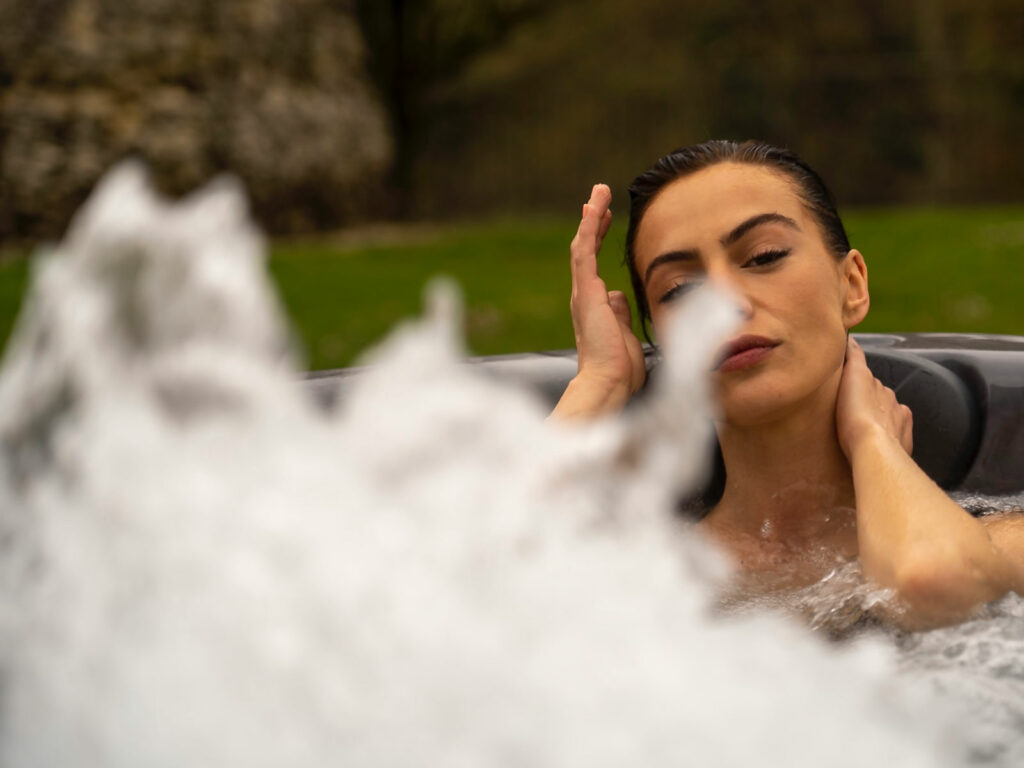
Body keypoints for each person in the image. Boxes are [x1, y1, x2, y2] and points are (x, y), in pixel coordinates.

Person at [551, 140, 1024, 630]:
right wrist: (600, 384)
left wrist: (872, 440)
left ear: (853, 285)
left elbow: (933, 585)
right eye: (679, 290)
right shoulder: (638, 568)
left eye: (763, 256)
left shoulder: (1004, 546)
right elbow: (473, 585)